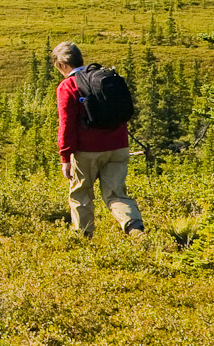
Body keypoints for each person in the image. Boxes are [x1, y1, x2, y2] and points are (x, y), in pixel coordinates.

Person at [53, 41, 145, 239]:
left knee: (81, 194)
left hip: (87, 150)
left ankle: (83, 237)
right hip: (119, 146)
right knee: (116, 194)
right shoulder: (103, 78)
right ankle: (135, 229)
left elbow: (66, 124)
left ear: (62, 65)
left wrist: (65, 157)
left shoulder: (68, 86)